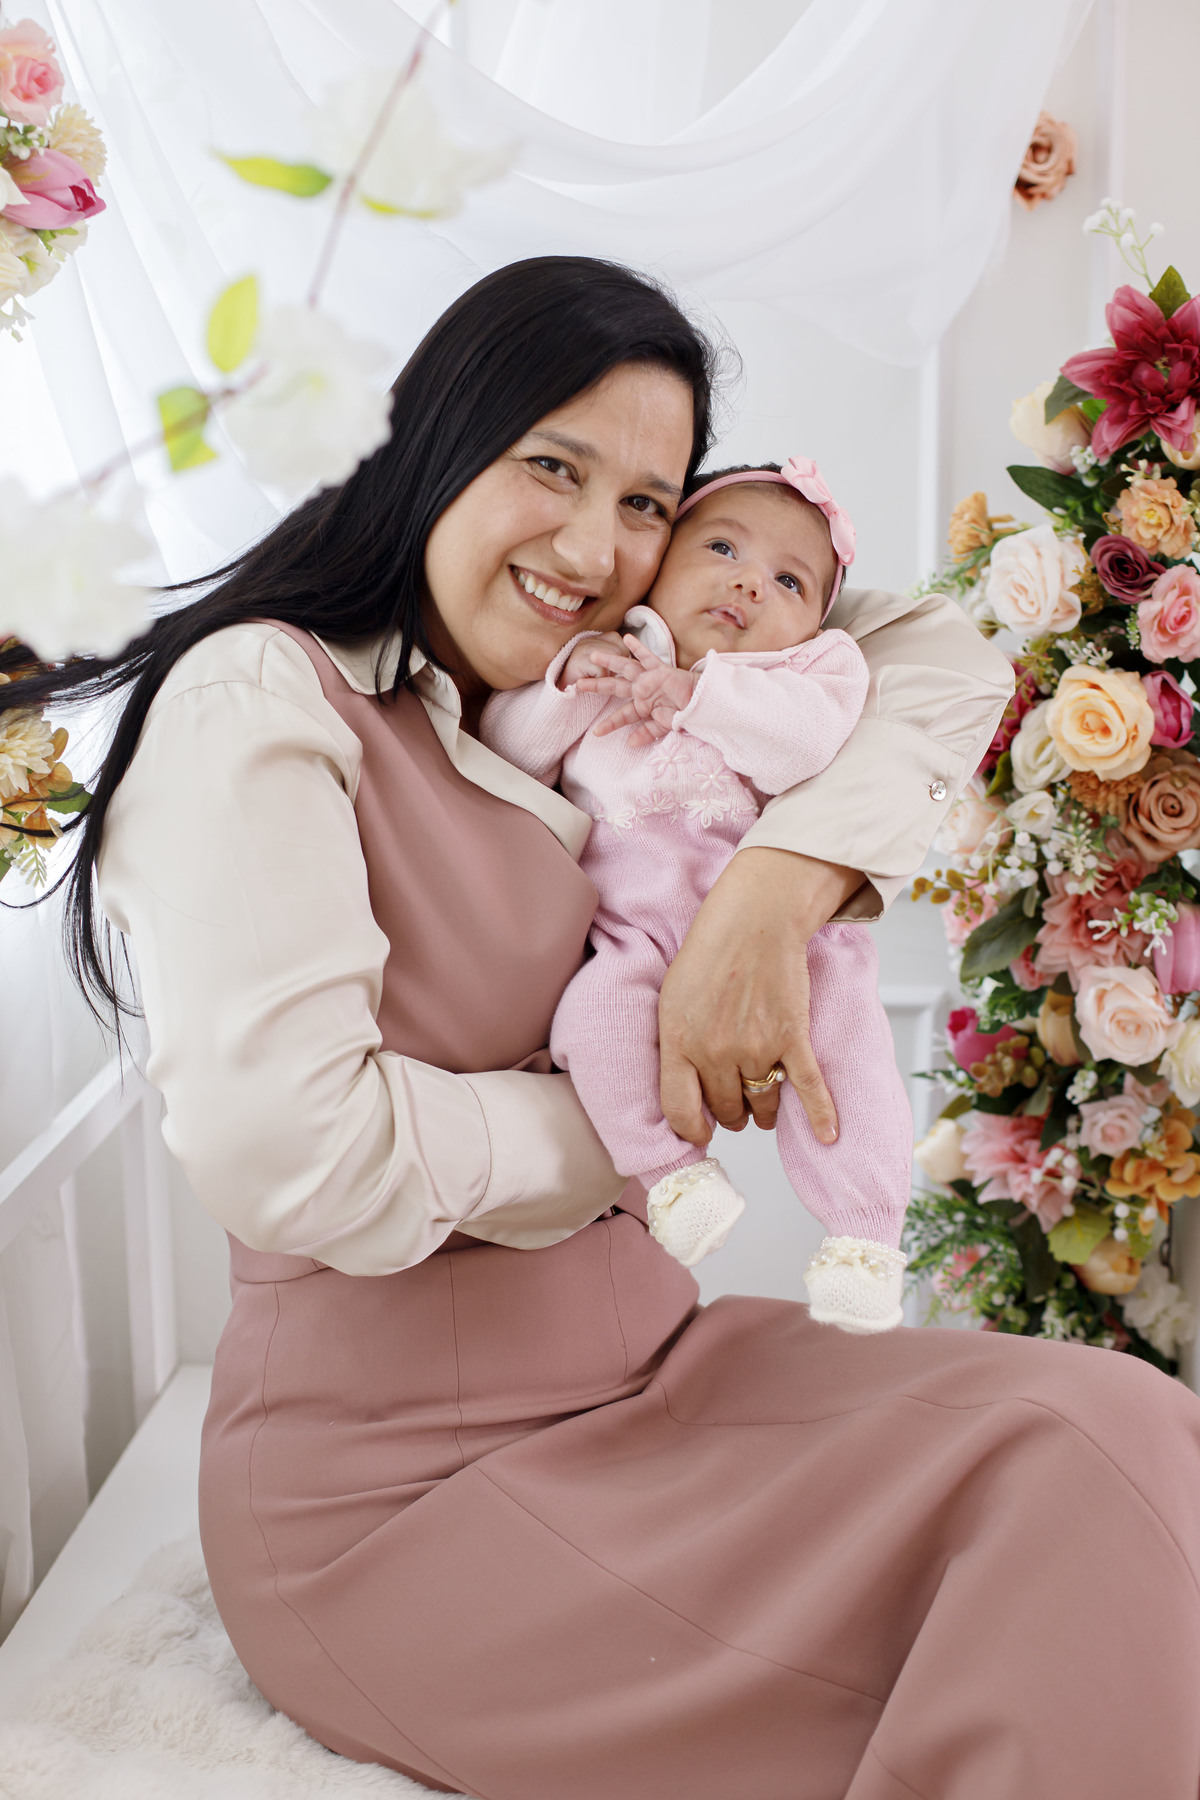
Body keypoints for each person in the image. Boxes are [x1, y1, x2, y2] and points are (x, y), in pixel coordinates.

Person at [13, 256, 1200, 1799]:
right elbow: (301, 1159)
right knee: (1075, 1539)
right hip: (403, 1500)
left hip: (659, 1374)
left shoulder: (599, 690)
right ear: (435, 442)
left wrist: (767, 897)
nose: (595, 547)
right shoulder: (265, 697)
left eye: (647, 502)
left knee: (1118, 1428)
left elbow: (937, 655)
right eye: (551, 469)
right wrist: (642, 1101)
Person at [482, 457, 913, 1335]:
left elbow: (805, 746)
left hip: (788, 930)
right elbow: (510, 754)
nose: (749, 581)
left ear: (816, 619)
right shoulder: (616, 644)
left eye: (789, 581)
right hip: (632, 928)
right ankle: (674, 1177)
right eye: (722, 547)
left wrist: (699, 696)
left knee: (847, 1056)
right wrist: (569, 679)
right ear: (661, 560)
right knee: (589, 1026)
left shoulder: (808, 668)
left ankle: (865, 1239)